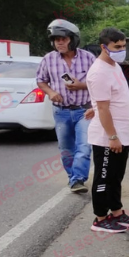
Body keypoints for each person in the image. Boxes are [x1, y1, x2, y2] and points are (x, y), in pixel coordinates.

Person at [86, 27, 129, 233]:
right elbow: (103, 107)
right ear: (103, 47)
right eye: (117, 47)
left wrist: (94, 107)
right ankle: (100, 218)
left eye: (123, 46)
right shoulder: (99, 71)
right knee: (103, 177)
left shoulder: (114, 66)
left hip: (121, 132)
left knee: (116, 176)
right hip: (107, 136)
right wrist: (112, 136)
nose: (121, 50)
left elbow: (107, 99)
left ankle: (116, 212)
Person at [36, 19, 96, 193]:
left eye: (63, 39)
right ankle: (73, 179)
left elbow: (98, 82)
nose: (59, 43)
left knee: (84, 146)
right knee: (66, 149)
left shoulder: (88, 58)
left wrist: (81, 85)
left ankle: (78, 179)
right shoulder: (48, 59)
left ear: (73, 39)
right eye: (56, 40)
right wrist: (50, 92)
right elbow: (41, 81)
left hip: (84, 110)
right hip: (61, 112)